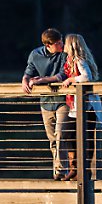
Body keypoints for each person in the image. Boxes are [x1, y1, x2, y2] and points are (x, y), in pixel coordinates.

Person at [22, 28, 70, 180]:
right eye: (58, 43)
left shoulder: (64, 53)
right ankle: (57, 171)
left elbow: (63, 74)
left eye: (61, 40)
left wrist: (42, 80)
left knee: (60, 134)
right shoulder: (35, 54)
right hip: (45, 101)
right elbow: (28, 71)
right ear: (48, 45)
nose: (62, 44)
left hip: (63, 100)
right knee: (52, 139)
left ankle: (61, 171)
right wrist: (24, 80)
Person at [59, 34, 102, 180]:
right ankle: (75, 167)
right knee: (69, 133)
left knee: (87, 137)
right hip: (76, 105)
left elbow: (86, 77)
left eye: (65, 43)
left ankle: (84, 170)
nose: (64, 45)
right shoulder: (70, 60)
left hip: (86, 105)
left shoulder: (79, 60)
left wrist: (71, 79)